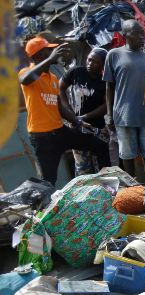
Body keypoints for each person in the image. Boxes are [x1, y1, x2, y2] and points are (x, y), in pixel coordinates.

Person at [19, 37, 109, 185]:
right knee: (48, 180)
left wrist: (77, 121)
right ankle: (42, 207)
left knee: (100, 146)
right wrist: (50, 59)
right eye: (49, 51)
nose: (53, 52)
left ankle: (108, 188)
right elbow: (25, 79)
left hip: (60, 131)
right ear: (39, 55)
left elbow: (59, 107)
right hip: (42, 137)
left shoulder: (53, 78)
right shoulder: (26, 73)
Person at [103, 19, 145, 178]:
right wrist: (109, 114)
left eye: (142, 33)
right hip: (124, 115)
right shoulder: (113, 55)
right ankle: (131, 189)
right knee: (127, 155)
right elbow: (109, 87)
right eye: (136, 33)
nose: (141, 36)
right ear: (125, 35)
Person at [58, 47, 110, 175]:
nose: (90, 63)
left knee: (102, 167)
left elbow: (106, 105)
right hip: (77, 127)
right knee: (82, 168)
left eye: (96, 62)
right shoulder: (76, 72)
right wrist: (69, 113)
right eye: (89, 59)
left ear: (103, 65)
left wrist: (85, 117)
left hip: (97, 128)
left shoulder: (104, 81)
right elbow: (60, 89)